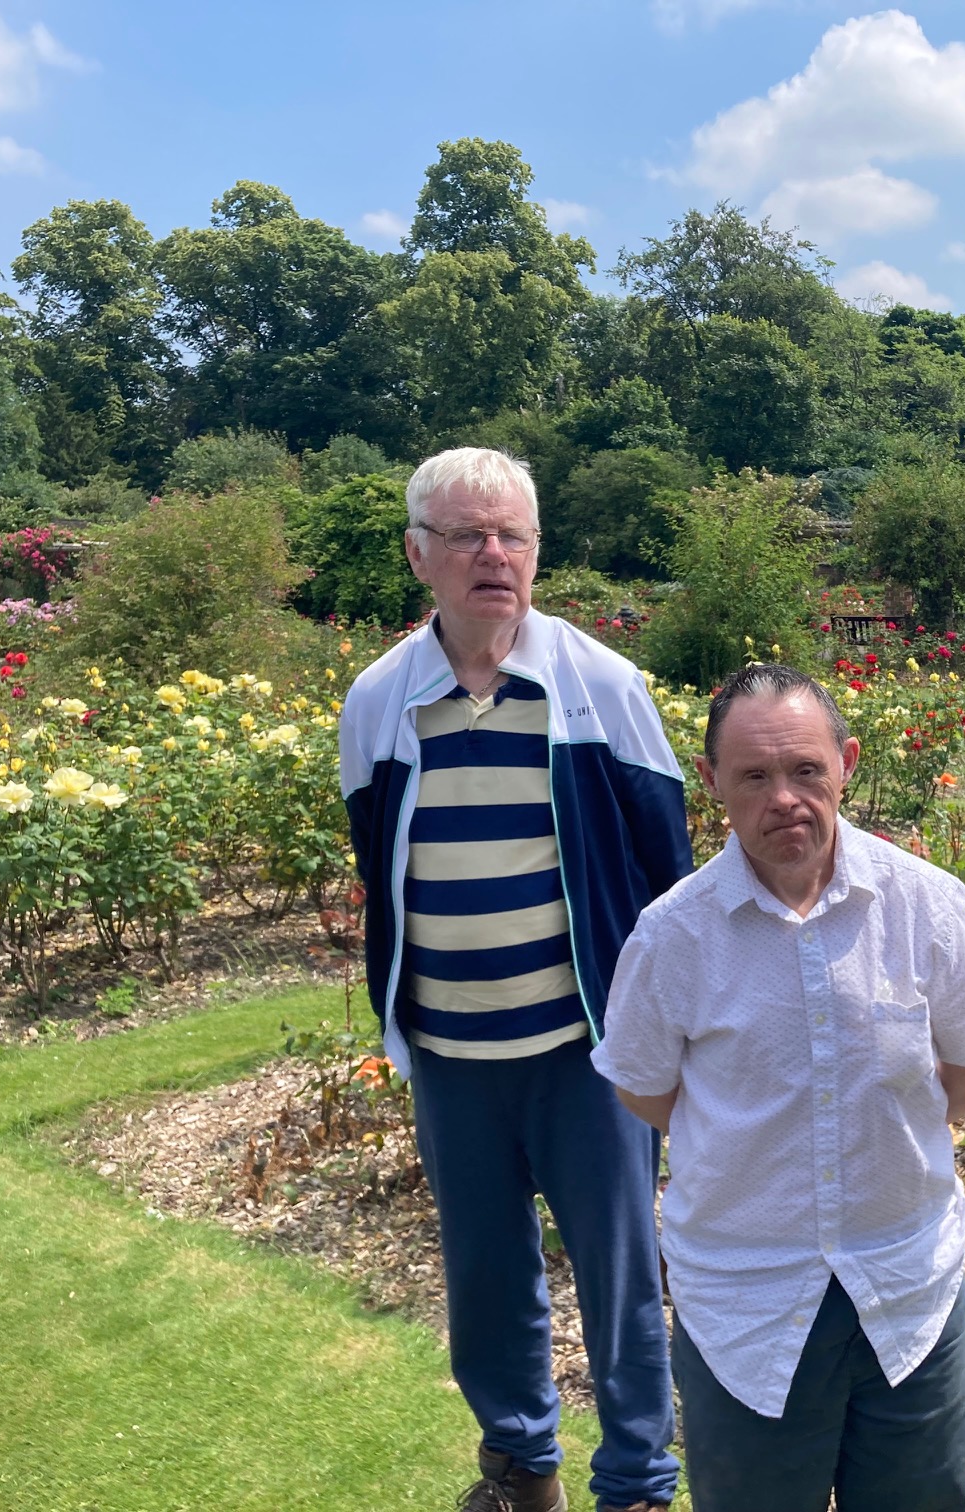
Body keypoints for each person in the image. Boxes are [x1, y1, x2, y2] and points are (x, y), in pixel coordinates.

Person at [338, 447, 689, 1512]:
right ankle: (519, 1468)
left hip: (587, 1053)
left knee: (622, 1281)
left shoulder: (602, 688)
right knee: (486, 1284)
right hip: (450, 1052)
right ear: (418, 556)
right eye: (465, 535)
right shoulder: (379, 701)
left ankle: (636, 1481)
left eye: (513, 536)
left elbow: (665, 876)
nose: (493, 555)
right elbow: (381, 866)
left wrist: (665, 1032)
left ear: (537, 553)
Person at [592, 663, 965, 1512]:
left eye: (805, 770)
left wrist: (888, 1132)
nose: (783, 797)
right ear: (713, 781)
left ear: (848, 763)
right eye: (754, 776)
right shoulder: (672, 936)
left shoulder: (925, 905)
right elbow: (646, 1093)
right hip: (745, 1305)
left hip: (907, 1290)